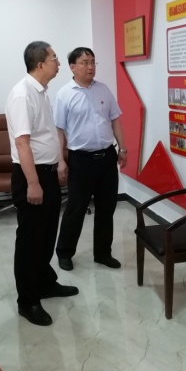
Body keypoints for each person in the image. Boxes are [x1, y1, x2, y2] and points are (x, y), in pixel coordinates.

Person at [5, 41, 78, 327]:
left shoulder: (42, 92)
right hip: (31, 176)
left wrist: (59, 162)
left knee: (47, 235)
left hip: (47, 172)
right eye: (55, 58)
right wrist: (33, 184)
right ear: (40, 64)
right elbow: (22, 143)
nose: (58, 63)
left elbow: (46, 134)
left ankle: (45, 283)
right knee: (30, 240)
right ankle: (28, 301)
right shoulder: (22, 95)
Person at [54, 47, 127, 272]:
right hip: (81, 160)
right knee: (76, 208)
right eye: (84, 62)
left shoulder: (103, 89)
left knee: (107, 207)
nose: (90, 67)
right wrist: (60, 161)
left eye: (93, 62)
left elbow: (115, 120)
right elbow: (59, 131)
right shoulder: (64, 94)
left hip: (107, 157)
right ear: (72, 67)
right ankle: (65, 252)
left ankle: (103, 253)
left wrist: (123, 148)